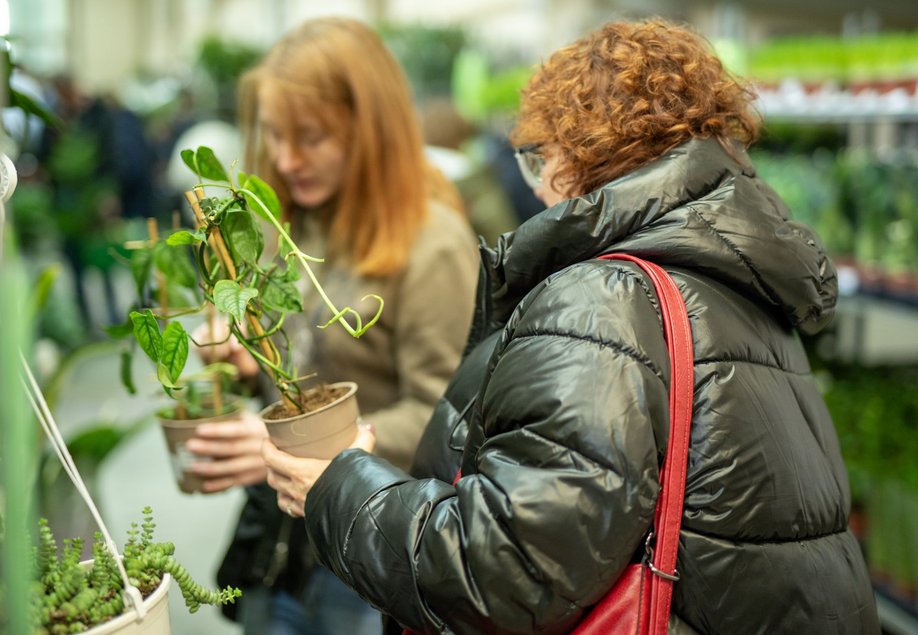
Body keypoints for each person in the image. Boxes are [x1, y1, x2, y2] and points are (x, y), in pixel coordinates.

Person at [259, 17, 880, 635]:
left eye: (537, 158)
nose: (536, 188)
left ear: (578, 151)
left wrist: (339, 489)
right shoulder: (741, 290)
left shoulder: (603, 300)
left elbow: (505, 571)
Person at [182, 17, 479, 635]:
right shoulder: (283, 223)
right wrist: (244, 358)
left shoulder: (432, 244)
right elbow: (296, 375)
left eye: (311, 138)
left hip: (372, 563)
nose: (287, 160)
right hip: (283, 547)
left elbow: (445, 420)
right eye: (275, 136)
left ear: (370, 130)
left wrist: (278, 448)